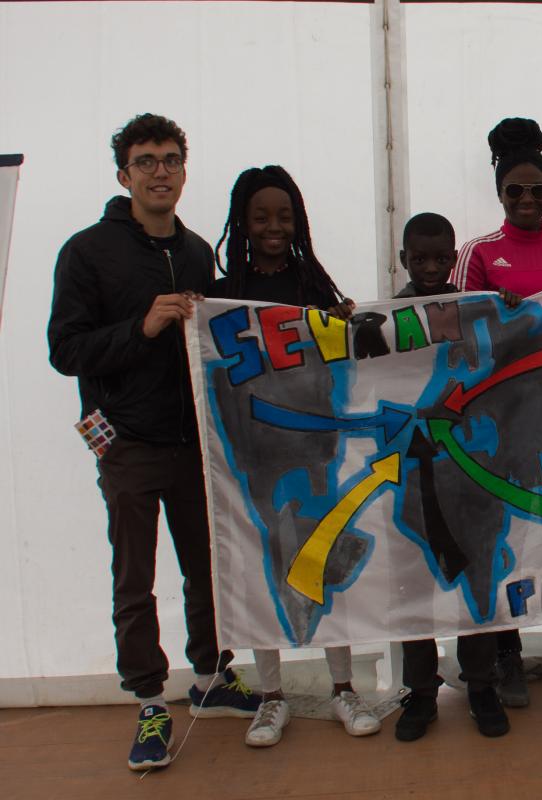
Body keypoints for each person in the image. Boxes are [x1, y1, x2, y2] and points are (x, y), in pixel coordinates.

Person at [47, 113, 261, 771]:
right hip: (128, 443)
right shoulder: (87, 252)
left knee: (207, 567)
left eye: (170, 160)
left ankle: (211, 676)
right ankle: (148, 702)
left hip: (194, 442)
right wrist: (141, 328)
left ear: (184, 171)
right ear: (124, 175)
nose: (160, 172)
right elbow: (65, 350)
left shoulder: (196, 251)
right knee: (134, 577)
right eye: (146, 161)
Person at [209, 165, 379, 747]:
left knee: (319, 555)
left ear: (299, 221)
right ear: (242, 222)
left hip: (312, 454)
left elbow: (340, 367)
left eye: (284, 216)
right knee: (262, 566)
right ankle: (271, 696)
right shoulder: (223, 294)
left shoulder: (314, 290)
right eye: (261, 217)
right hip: (252, 458)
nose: (273, 226)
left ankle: (343, 688)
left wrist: (346, 325)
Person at [447, 117, 542, 706]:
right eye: (516, 190)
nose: (527, 199)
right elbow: (457, 329)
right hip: (505, 420)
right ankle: (506, 656)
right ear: (499, 193)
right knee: (508, 536)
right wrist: (495, 308)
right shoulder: (479, 252)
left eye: (538, 189)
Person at [390, 212, 510, 741]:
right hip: (414, 474)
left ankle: (481, 685)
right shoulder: (385, 320)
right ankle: (421, 692)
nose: (431, 267)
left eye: (442, 258)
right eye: (420, 259)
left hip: (471, 473)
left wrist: (509, 309)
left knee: (478, 577)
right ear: (404, 260)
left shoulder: (475, 312)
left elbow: (502, 370)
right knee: (413, 583)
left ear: (455, 257)